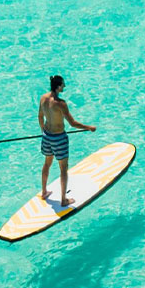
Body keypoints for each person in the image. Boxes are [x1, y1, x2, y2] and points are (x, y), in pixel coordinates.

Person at [38, 75, 94, 205]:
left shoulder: (43, 98)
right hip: (59, 139)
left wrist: (43, 132)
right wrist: (88, 127)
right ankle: (63, 200)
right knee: (63, 168)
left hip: (47, 136)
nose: (64, 86)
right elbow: (73, 123)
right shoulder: (60, 104)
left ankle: (44, 192)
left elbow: (40, 116)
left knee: (47, 163)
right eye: (63, 84)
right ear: (58, 87)